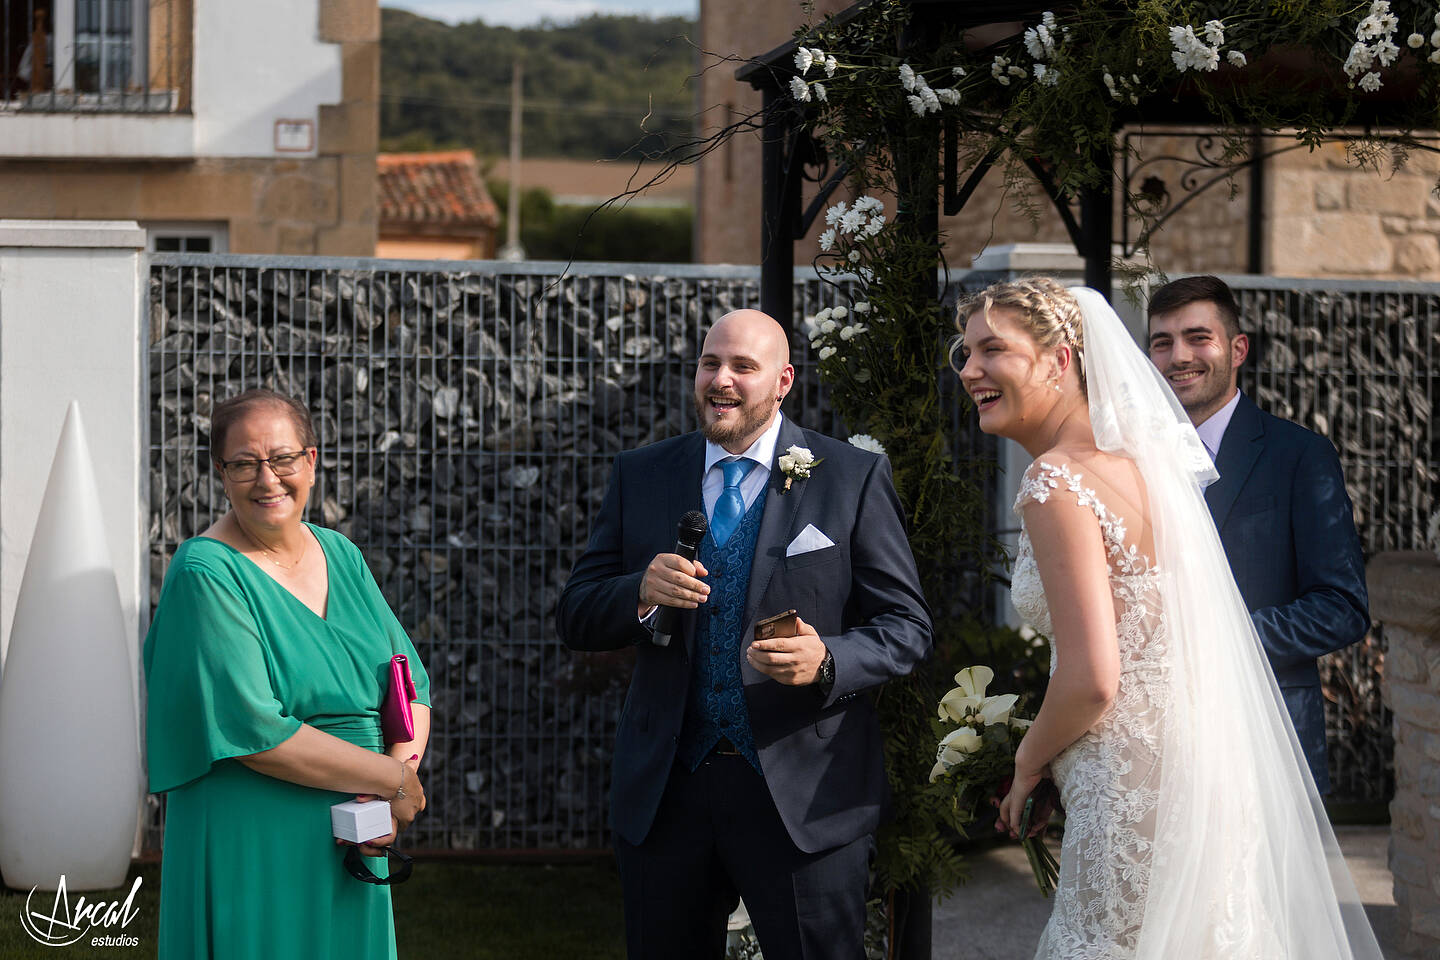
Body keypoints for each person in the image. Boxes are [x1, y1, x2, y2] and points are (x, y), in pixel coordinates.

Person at [954, 279, 1381, 959]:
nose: (970, 369)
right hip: (1206, 763)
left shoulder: (1055, 481)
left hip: (1130, 781)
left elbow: (1093, 678)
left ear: (1060, 362)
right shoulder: (1148, 465)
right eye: (965, 352)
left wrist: (1028, 761)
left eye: (991, 350)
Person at [557, 309, 932, 960]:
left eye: (743, 367)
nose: (721, 380)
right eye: (709, 363)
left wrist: (829, 659)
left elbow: (907, 627)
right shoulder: (643, 475)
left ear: (783, 381)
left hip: (804, 798)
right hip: (668, 795)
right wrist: (638, 592)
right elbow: (577, 613)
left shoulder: (848, 478)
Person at [143, 388, 431, 960]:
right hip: (254, 832)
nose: (268, 479)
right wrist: (392, 782)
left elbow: (408, 685)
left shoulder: (341, 553)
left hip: (355, 828)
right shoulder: (205, 572)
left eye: (282, 459)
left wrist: (392, 786)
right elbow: (255, 730)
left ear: (312, 462)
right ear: (220, 473)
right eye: (245, 463)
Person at [1146, 275, 1368, 793]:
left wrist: (1222, 641)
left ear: (1237, 348)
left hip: (1266, 739)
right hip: (1153, 746)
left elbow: (1343, 607)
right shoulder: (1130, 461)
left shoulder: (1300, 456)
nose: (1179, 356)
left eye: (1198, 337)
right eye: (1162, 342)